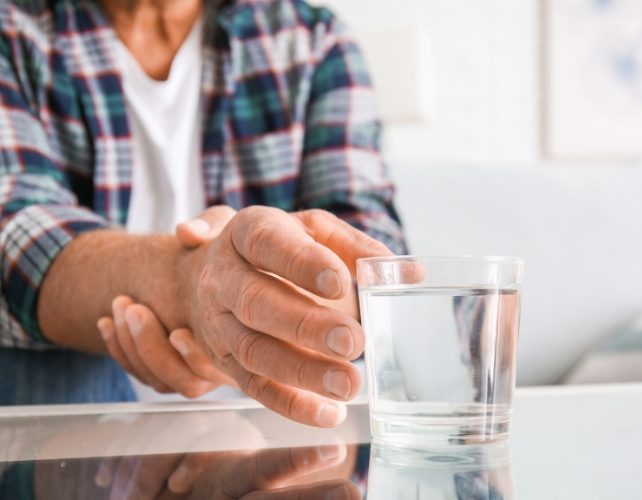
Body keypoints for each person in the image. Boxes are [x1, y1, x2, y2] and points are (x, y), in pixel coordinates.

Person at [0, 0, 406, 427]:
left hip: (276, 439)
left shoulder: (313, 43)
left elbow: (377, 261)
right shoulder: (14, 32)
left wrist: (254, 295)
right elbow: (15, 234)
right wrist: (189, 286)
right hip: (73, 438)